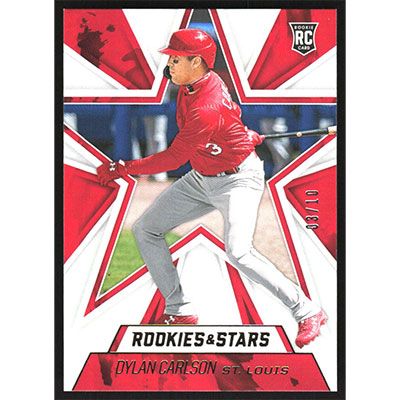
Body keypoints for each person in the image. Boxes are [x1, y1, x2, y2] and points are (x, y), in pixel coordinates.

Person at [97, 29, 327, 348]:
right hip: (202, 177)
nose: (169, 64)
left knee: (239, 252)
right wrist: (239, 134)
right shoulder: (192, 85)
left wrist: (124, 168)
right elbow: (229, 117)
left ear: (197, 62)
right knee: (146, 229)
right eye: (170, 58)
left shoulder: (207, 104)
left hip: (237, 180)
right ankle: (179, 309)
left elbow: (174, 157)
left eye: (176, 59)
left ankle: (307, 311)